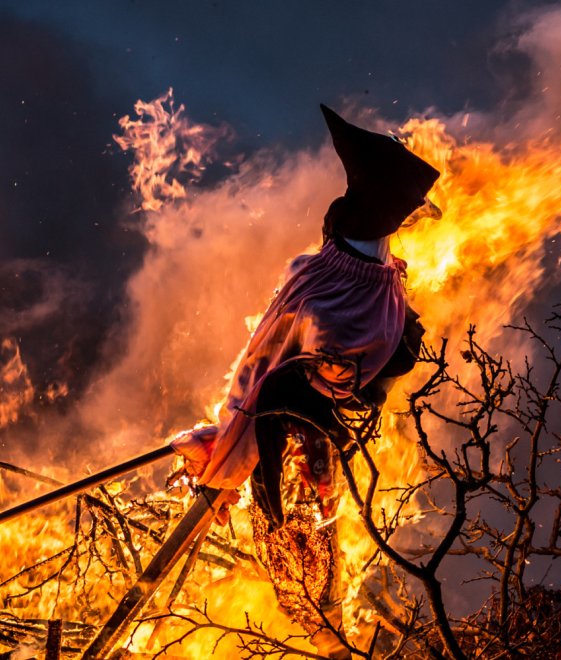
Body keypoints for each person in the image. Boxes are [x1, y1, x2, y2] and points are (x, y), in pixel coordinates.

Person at [171, 104, 437, 531]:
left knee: (268, 386)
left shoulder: (354, 239)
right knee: (275, 366)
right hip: (350, 321)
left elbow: (322, 311)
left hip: (344, 332)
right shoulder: (364, 230)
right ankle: (273, 468)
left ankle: (266, 496)